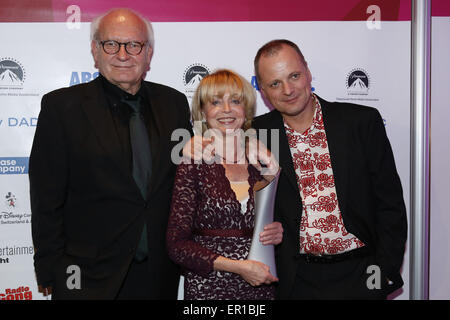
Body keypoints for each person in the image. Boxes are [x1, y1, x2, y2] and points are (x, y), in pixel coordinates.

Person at [29, 8, 192, 299]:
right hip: (85, 272)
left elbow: (189, 178)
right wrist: (50, 268)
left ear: (148, 53)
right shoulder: (62, 108)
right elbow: (46, 197)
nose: (123, 54)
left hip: (158, 272)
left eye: (134, 45)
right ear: (95, 50)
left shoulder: (174, 104)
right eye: (111, 44)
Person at [251, 39, 407, 299]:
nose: (288, 89)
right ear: (263, 89)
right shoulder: (255, 134)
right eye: (275, 83)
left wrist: (384, 272)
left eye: (294, 76)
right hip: (295, 281)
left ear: (308, 72)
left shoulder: (360, 122)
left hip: (362, 274)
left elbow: (390, 204)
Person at [166, 69, 283, 300]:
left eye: (236, 101)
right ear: (202, 112)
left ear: (246, 109)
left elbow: (273, 220)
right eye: (216, 102)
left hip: (259, 288)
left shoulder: (260, 160)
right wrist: (239, 267)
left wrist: (278, 232)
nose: (227, 109)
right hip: (208, 288)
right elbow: (177, 245)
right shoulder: (193, 161)